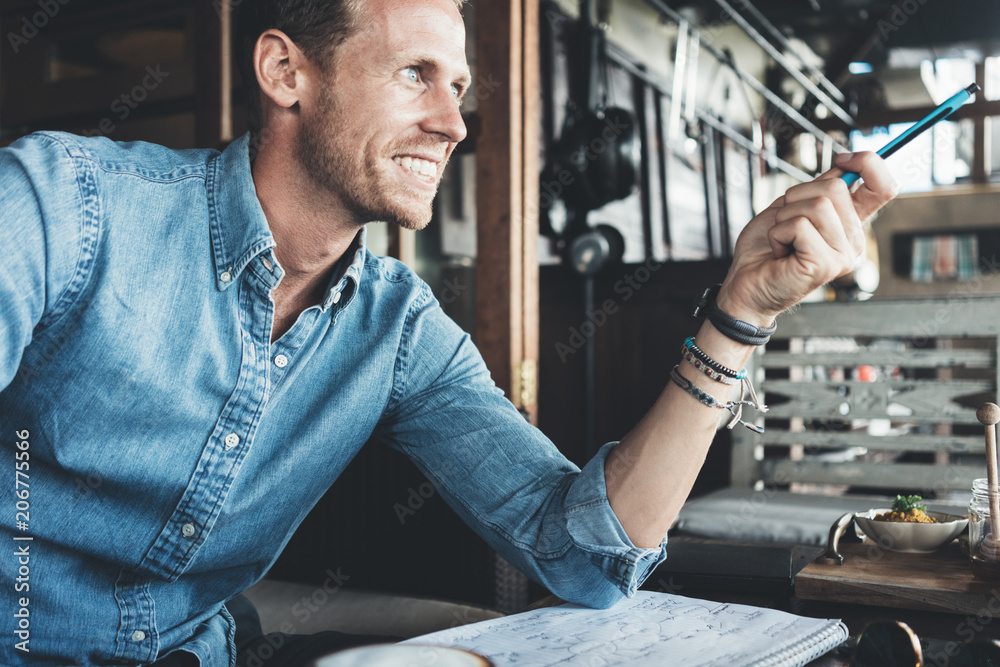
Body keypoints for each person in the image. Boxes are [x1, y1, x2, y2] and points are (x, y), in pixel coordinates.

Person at [0, 0, 897, 664]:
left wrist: (739, 315)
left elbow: (582, 553)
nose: (455, 123)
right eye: (413, 75)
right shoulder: (60, 207)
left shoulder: (396, 325)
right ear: (285, 73)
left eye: (459, 86)